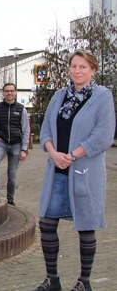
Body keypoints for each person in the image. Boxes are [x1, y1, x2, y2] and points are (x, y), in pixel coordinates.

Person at [33, 50, 115, 291]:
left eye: (83, 67)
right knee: (47, 223)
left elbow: (103, 136)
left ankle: (84, 283)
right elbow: (46, 129)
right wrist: (53, 152)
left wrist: (73, 155)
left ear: (93, 70)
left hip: (84, 173)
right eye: (74, 66)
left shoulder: (102, 97)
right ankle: (52, 280)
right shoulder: (59, 96)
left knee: (86, 226)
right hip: (56, 170)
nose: (77, 71)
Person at [0, 83, 29, 206]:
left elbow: (26, 130)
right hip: (1, 143)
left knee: (12, 173)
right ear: (3, 93)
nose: (9, 93)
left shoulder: (21, 109)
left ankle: (10, 200)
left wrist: (24, 149)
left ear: (15, 92)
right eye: (7, 91)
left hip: (16, 145)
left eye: (11, 91)